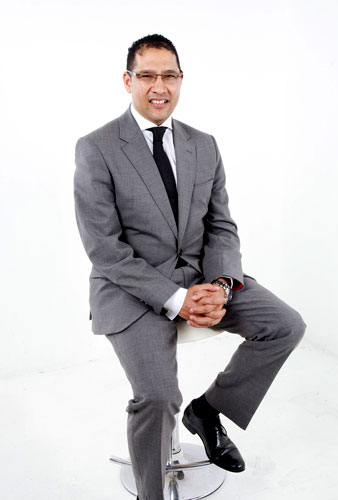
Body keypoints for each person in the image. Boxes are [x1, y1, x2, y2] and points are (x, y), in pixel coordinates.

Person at [74, 34, 306, 500]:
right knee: (158, 396)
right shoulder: (97, 147)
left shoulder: (204, 144)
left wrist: (220, 284)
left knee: (285, 325)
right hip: (130, 288)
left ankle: (208, 410)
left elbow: (221, 224)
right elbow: (104, 249)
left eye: (169, 75)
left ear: (181, 80)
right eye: (147, 75)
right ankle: (151, 493)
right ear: (128, 81)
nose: (159, 86)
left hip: (203, 276)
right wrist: (176, 300)